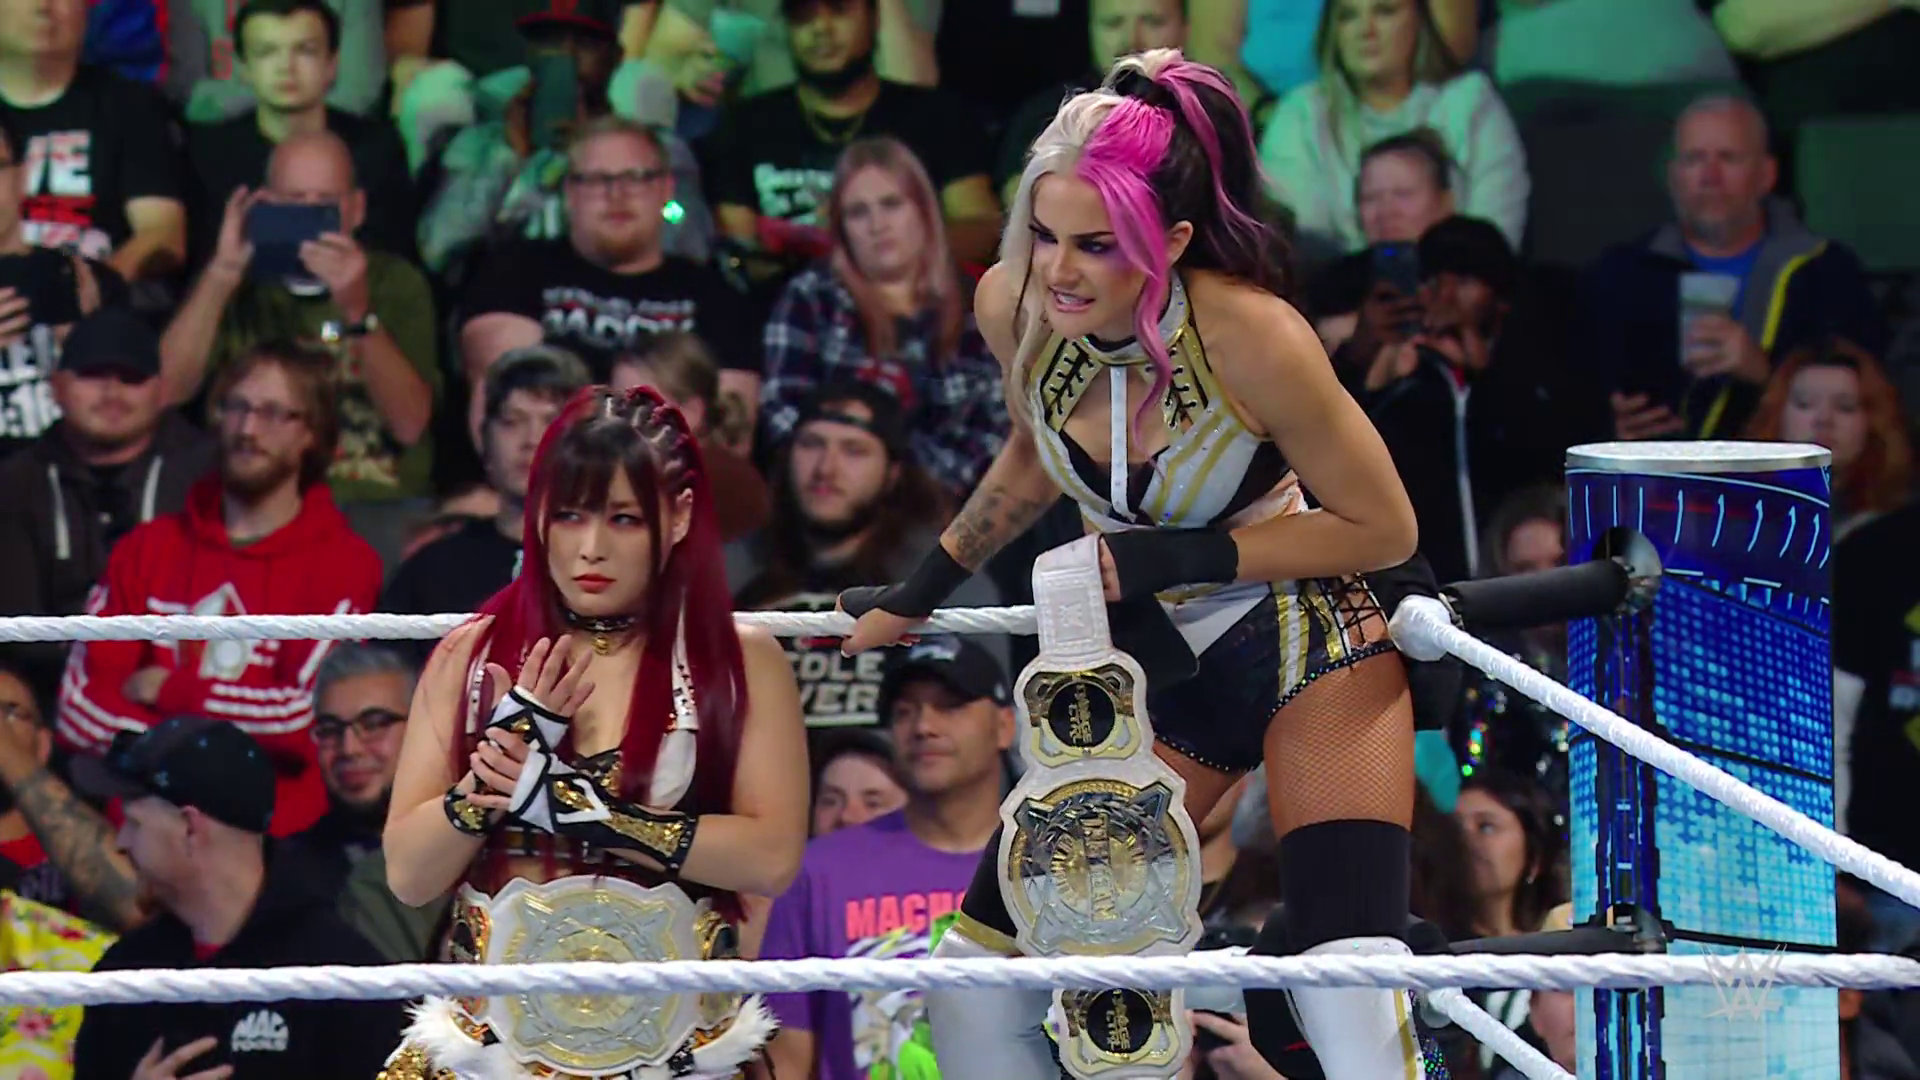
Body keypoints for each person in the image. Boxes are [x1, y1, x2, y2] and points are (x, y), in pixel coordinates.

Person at [841, 48, 1438, 1080]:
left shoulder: (1253, 334)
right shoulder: (1016, 306)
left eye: (1095, 245)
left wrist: (1187, 551)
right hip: (1161, 674)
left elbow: (1385, 528)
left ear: (1170, 242)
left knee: (1347, 988)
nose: (1059, 270)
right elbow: (1035, 449)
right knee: (977, 987)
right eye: (1044, 235)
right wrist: (925, 587)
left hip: (1313, 641)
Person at [379, 385, 809, 1079]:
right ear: (537, 517)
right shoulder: (473, 656)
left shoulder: (739, 661)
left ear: (679, 516)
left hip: (678, 1054)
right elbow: (408, 875)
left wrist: (574, 808)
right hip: (491, 1053)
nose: (591, 549)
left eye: (624, 519)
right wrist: (491, 780)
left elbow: (770, 857)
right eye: (569, 515)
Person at [55, 340, 383, 838]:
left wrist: (171, 691)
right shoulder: (146, 549)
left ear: (312, 435)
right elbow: (78, 707)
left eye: (273, 413)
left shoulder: (345, 565)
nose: (248, 429)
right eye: (237, 407)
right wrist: (202, 744)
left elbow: (306, 719)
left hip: (277, 846)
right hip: (143, 840)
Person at [69, 714, 407, 1079]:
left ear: (189, 828)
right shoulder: (124, 974)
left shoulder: (343, 978)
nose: (121, 843)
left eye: (134, 823)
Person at [761, 635, 1013, 1080]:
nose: (924, 726)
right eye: (904, 711)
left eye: (950, 705)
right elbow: (784, 1062)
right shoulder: (818, 872)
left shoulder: (1058, 866)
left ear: (1005, 726)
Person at [759, 136, 1008, 498]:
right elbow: (782, 414)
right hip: (828, 501)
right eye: (858, 212)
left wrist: (899, 482)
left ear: (924, 211)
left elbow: (992, 436)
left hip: (944, 507)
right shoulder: (811, 297)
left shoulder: (977, 306)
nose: (877, 225)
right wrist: (858, 477)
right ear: (841, 228)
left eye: (891, 204)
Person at [1256, 0, 1527, 258]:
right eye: (1348, 16)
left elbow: (1494, 243)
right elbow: (1303, 250)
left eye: (1385, 11)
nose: (1366, 31)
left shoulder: (1472, 103)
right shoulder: (1300, 116)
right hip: (1339, 288)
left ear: (1419, 19)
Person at [1744, 336, 1911, 539]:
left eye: (1845, 407)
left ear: (1873, 423)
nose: (1823, 419)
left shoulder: (1898, 528)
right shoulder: (1736, 517)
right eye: (1805, 404)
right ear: (1777, 416)